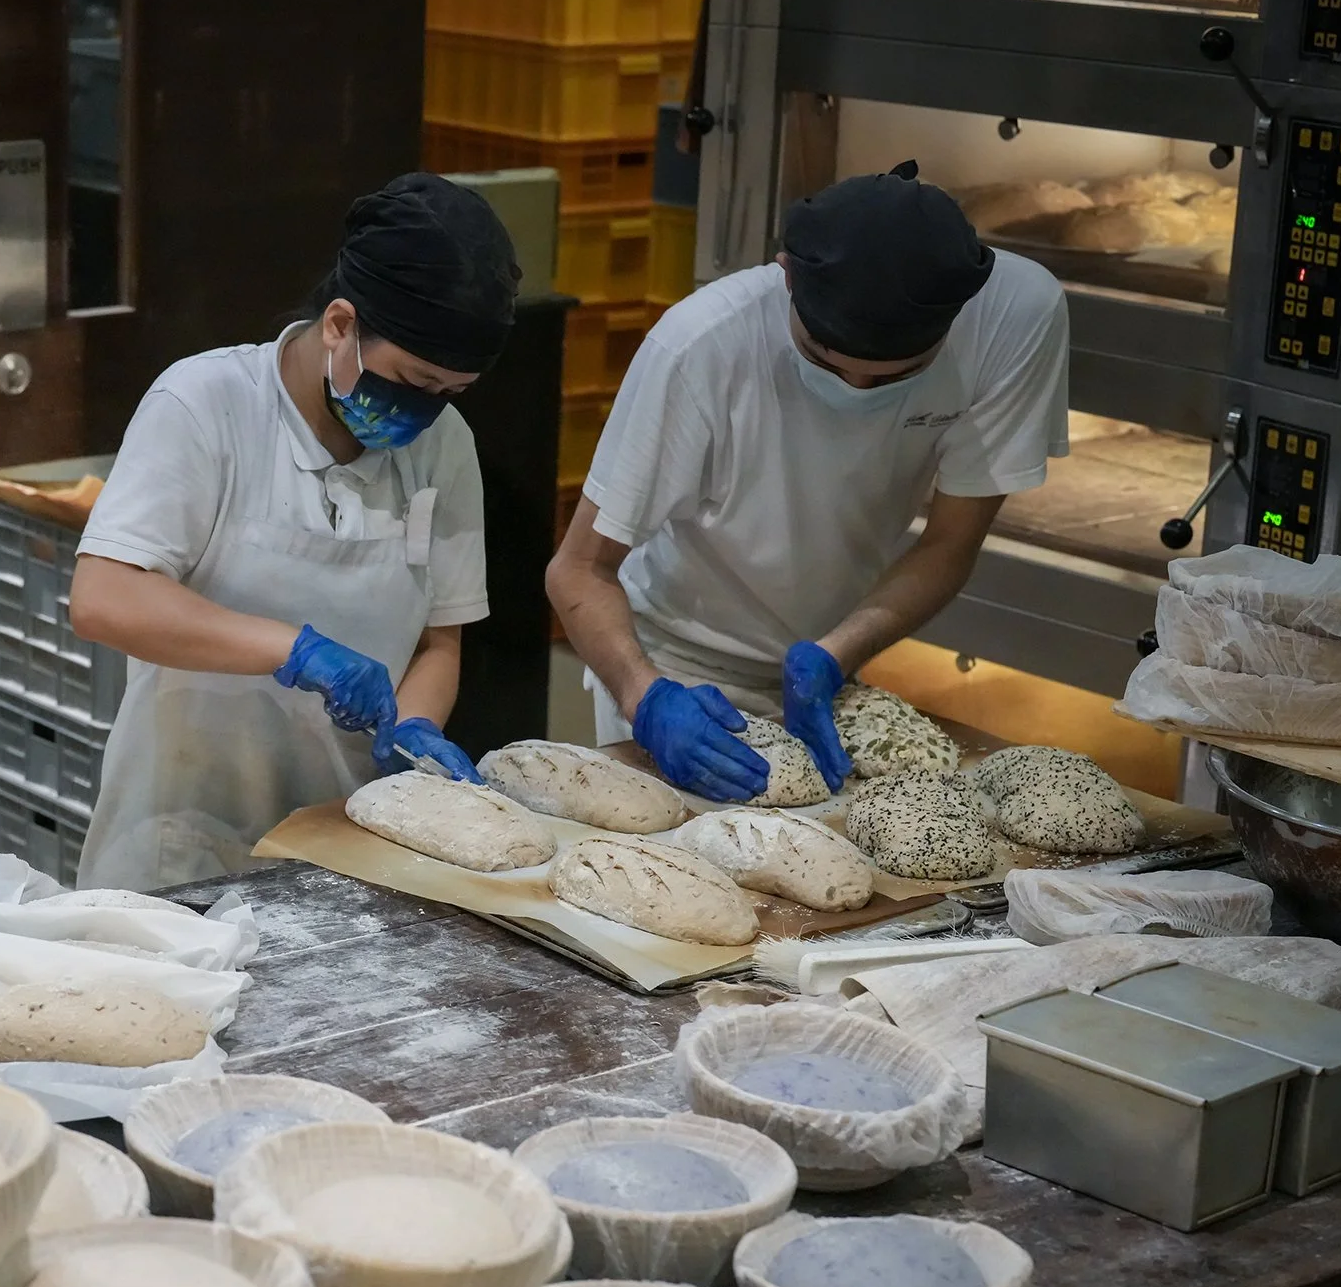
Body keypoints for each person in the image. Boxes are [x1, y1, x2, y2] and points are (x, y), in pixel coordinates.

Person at [544, 163, 1070, 801]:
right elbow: (579, 568)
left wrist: (835, 654)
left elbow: (950, 543)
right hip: (678, 666)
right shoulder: (700, 347)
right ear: (787, 275)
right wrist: (645, 697)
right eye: (824, 363)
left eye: (893, 379)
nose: (857, 391)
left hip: (833, 671)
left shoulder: (1015, 315)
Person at [68, 172, 519, 891]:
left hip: (346, 841)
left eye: (449, 392)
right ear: (339, 325)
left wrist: (416, 730)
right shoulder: (207, 405)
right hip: (182, 840)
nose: (424, 410)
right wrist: (295, 650)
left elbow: (439, 641)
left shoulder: (444, 447)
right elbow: (104, 598)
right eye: (413, 380)